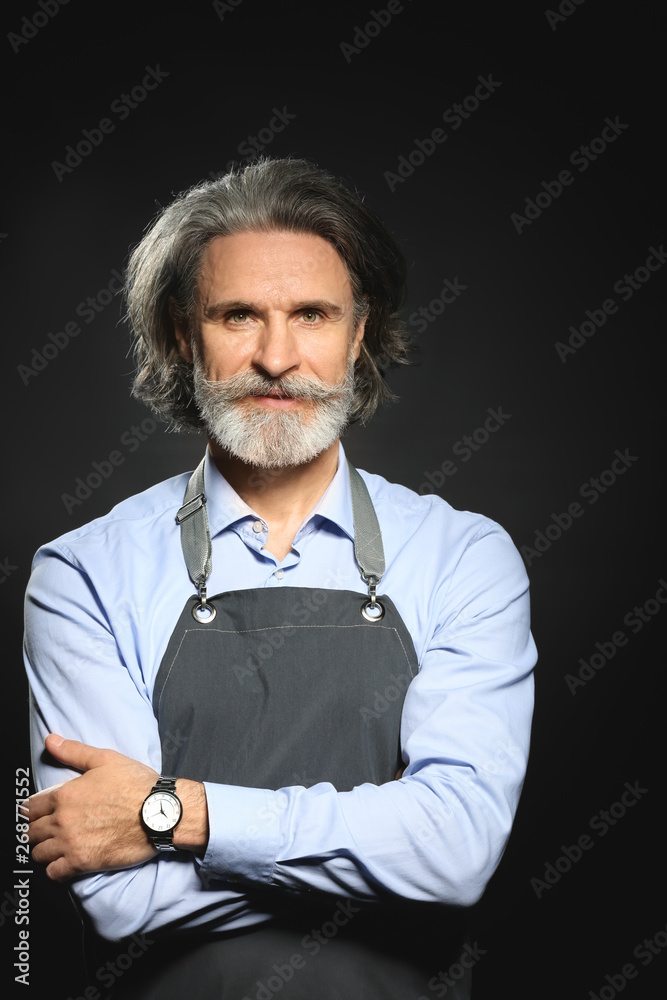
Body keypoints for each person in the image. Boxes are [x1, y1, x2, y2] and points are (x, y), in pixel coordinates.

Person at [25, 157, 536, 999]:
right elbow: (117, 897)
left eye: (311, 315)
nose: (275, 356)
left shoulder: (464, 557)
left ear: (357, 334)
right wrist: (372, 859)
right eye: (237, 316)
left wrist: (173, 815)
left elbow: (454, 854)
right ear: (183, 335)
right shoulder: (82, 573)